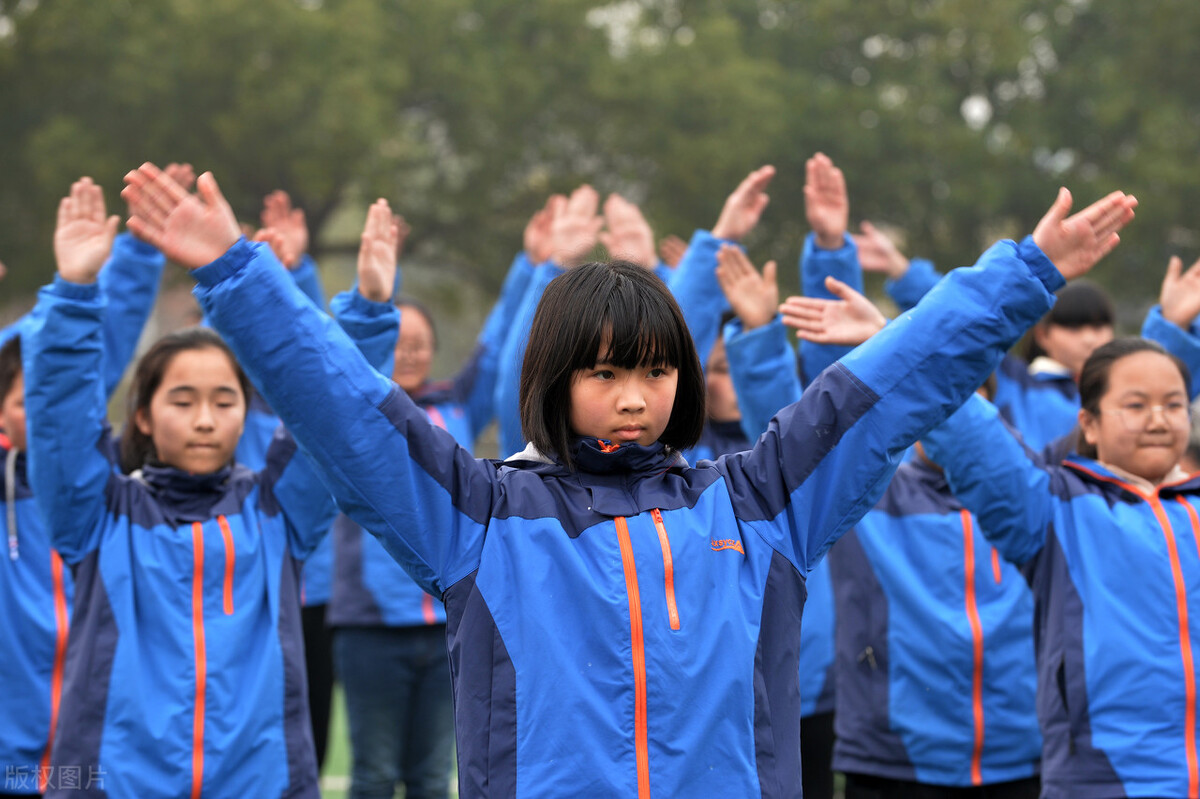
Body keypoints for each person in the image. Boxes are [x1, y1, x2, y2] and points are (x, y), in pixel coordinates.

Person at [123, 161, 1133, 797]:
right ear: (555, 384)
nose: (636, 395)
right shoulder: (481, 516)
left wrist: (1023, 275)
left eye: (654, 369)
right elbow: (348, 408)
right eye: (604, 373)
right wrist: (239, 278)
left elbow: (889, 385)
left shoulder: (758, 501)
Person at [22, 179, 337, 799]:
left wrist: (285, 286)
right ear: (142, 415)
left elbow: (326, 403)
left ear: (248, 413)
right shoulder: (96, 515)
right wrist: (75, 294)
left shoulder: (280, 511)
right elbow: (59, 419)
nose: (203, 419)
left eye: (224, 400)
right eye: (182, 400)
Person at [909, 335, 1200, 798]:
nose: (1158, 420)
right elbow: (973, 438)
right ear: (1089, 423)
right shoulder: (1055, 507)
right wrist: (904, 347)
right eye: (1136, 405)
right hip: (1101, 781)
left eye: (1174, 404)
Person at [327, 199, 524, 799]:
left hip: (449, 622)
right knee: (374, 774)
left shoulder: (456, 406)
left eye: (422, 342)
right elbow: (342, 372)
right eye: (399, 341)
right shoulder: (367, 421)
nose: (409, 352)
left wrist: (532, 266)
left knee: (434, 777)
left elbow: (501, 346)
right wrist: (375, 293)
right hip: (370, 631)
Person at [0, 176, 170, 799]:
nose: (32, 413)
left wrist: (139, 255)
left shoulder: (92, 490)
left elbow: (83, 365)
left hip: (86, 747)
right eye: (18, 402)